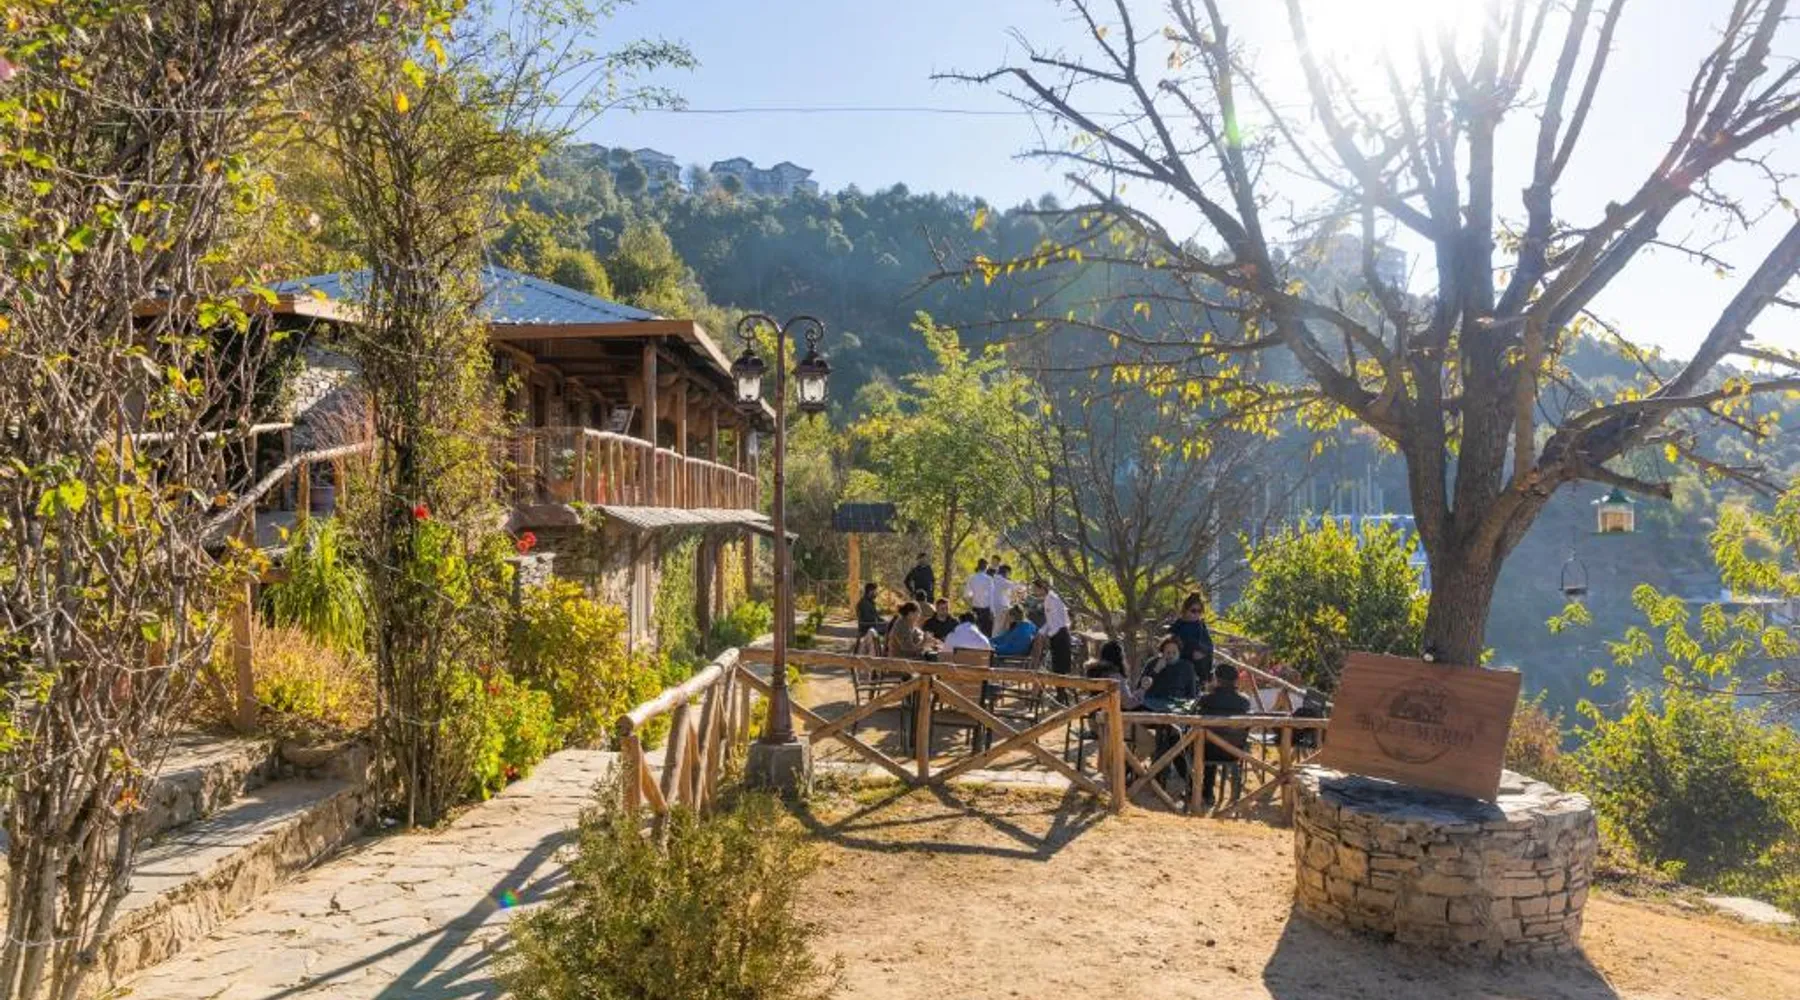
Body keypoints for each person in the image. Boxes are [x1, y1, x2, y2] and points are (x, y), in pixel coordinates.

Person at [1198, 662, 1253, 807]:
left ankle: (1197, 790)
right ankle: (1209, 793)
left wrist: (1208, 691)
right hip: (1234, 751)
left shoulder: (1206, 700)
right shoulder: (1244, 701)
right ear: (1236, 680)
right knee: (1214, 739)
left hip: (1205, 751)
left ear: (1216, 679)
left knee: (1178, 743)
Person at [1166, 592, 1216, 688]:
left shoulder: (1201, 626)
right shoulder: (1178, 626)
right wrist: (1190, 653)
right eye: (1193, 611)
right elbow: (1170, 647)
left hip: (1199, 670)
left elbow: (1209, 646)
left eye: (1199, 611)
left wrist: (1202, 652)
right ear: (1186, 610)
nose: (1196, 614)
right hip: (1181, 666)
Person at [1033, 578, 1073, 676]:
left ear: (1042, 588)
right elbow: (1050, 621)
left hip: (1060, 634)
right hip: (1057, 634)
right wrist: (1041, 632)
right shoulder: (1048, 599)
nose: (1034, 591)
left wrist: (1047, 635)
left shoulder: (1052, 599)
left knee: (1061, 669)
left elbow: (1057, 622)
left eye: (1035, 589)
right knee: (1056, 668)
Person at [963, 558, 995, 636]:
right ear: (986, 567)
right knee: (986, 634)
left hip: (975, 609)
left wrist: (971, 604)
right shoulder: (989, 579)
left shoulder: (971, 578)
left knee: (975, 633)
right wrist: (992, 611)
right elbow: (991, 596)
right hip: (986, 610)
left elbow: (966, 595)